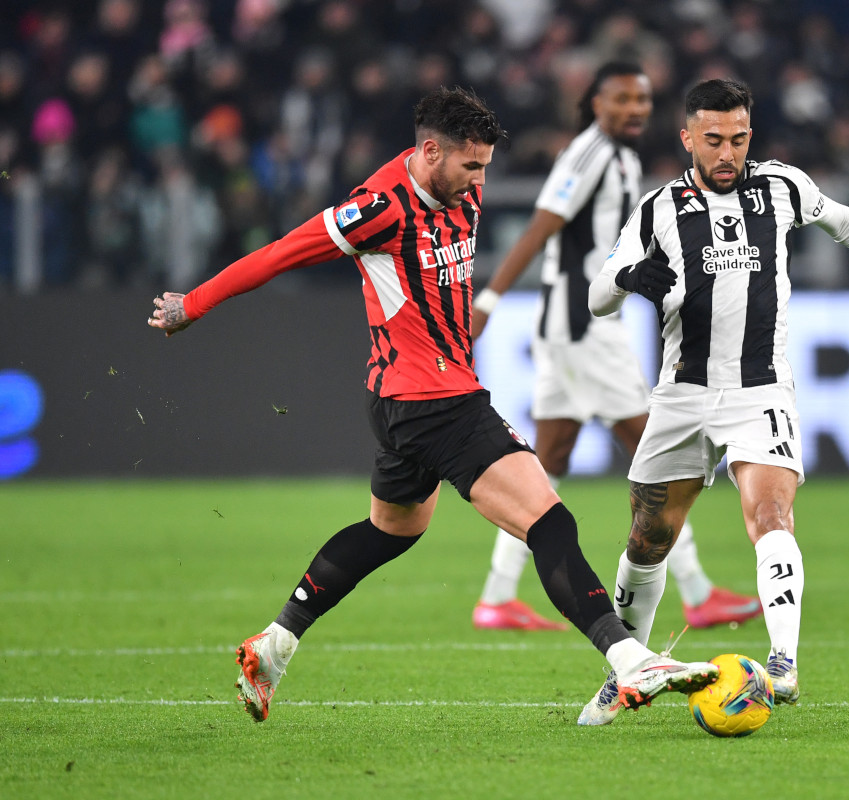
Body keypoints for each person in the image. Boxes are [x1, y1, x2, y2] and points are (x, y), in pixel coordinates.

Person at [146, 86, 717, 722]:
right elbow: (281, 254)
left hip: (400, 404)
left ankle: (274, 644)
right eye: (471, 166)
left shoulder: (457, 188)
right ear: (428, 152)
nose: (480, 180)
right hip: (434, 401)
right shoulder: (376, 208)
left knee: (391, 531)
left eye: (485, 166)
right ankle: (629, 661)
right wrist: (191, 305)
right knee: (549, 522)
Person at [576, 78, 849, 725]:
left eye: (740, 138)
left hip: (761, 390)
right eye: (714, 140)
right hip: (682, 394)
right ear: (688, 137)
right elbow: (596, 295)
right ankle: (625, 669)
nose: (728, 153)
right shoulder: (658, 208)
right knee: (647, 540)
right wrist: (630, 278)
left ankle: (782, 661)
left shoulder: (781, 187)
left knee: (771, 515)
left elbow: (845, 223)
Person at [470, 61, 762, 632]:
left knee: (548, 460)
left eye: (643, 100)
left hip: (577, 327)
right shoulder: (589, 151)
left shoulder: (623, 158)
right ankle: (699, 592)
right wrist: (489, 300)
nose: (634, 109)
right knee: (658, 447)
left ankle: (497, 597)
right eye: (622, 98)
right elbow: (541, 226)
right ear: (595, 102)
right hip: (583, 327)